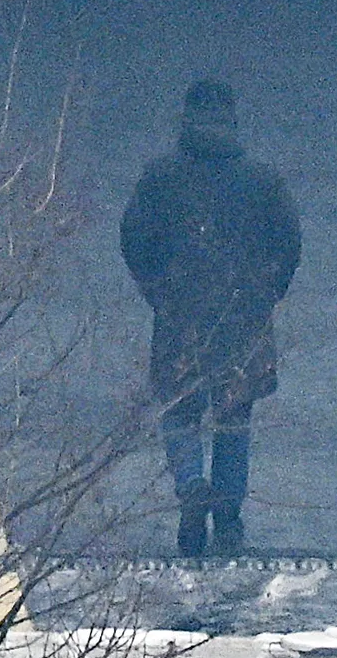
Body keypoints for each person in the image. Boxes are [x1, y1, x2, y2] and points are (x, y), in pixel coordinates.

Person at [119, 77, 302, 555]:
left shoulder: (160, 177)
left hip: (181, 312)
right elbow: (288, 243)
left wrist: (158, 289)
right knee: (234, 415)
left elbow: (134, 240)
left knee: (180, 409)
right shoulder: (263, 180)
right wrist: (268, 292)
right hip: (244, 314)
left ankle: (190, 485)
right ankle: (228, 514)